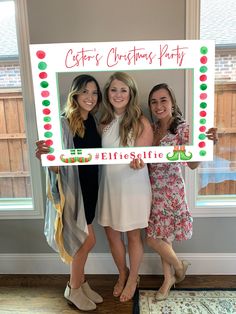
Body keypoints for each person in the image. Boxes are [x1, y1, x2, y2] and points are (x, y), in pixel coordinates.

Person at [130, 83, 218, 301]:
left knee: (154, 238)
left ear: (172, 103)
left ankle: (177, 270)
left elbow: (193, 164)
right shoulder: (151, 128)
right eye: (154, 101)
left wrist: (208, 145)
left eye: (163, 100)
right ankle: (172, 275)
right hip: (150, 188)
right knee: (162, 237)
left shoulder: (183, 129)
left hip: (171, 190)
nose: (159, 105)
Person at [35, 74, 103, 311]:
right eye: (85, 92)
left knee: (86, 239)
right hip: (73, 191)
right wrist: (46, 157)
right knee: (84, 241)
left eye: (94, 93)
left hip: (89, 189)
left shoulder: (92, 121)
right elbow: (55, 165)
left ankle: (80, 284)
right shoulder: (63, 123)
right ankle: (74, 288)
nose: (90, 97)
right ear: (75, 94)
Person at [96, 71, 154, 302]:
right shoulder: (103, 122)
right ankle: (123, 273)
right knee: (111, 235)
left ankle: (133, 279)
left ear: (131, 94)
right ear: (107, 93)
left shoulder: (141, 121)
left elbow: (143, 157)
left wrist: (140, 161)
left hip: (133, 187)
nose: (118, 94)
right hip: (109, 186)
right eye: (113, 89)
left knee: (133, 237)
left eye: (123, 90)